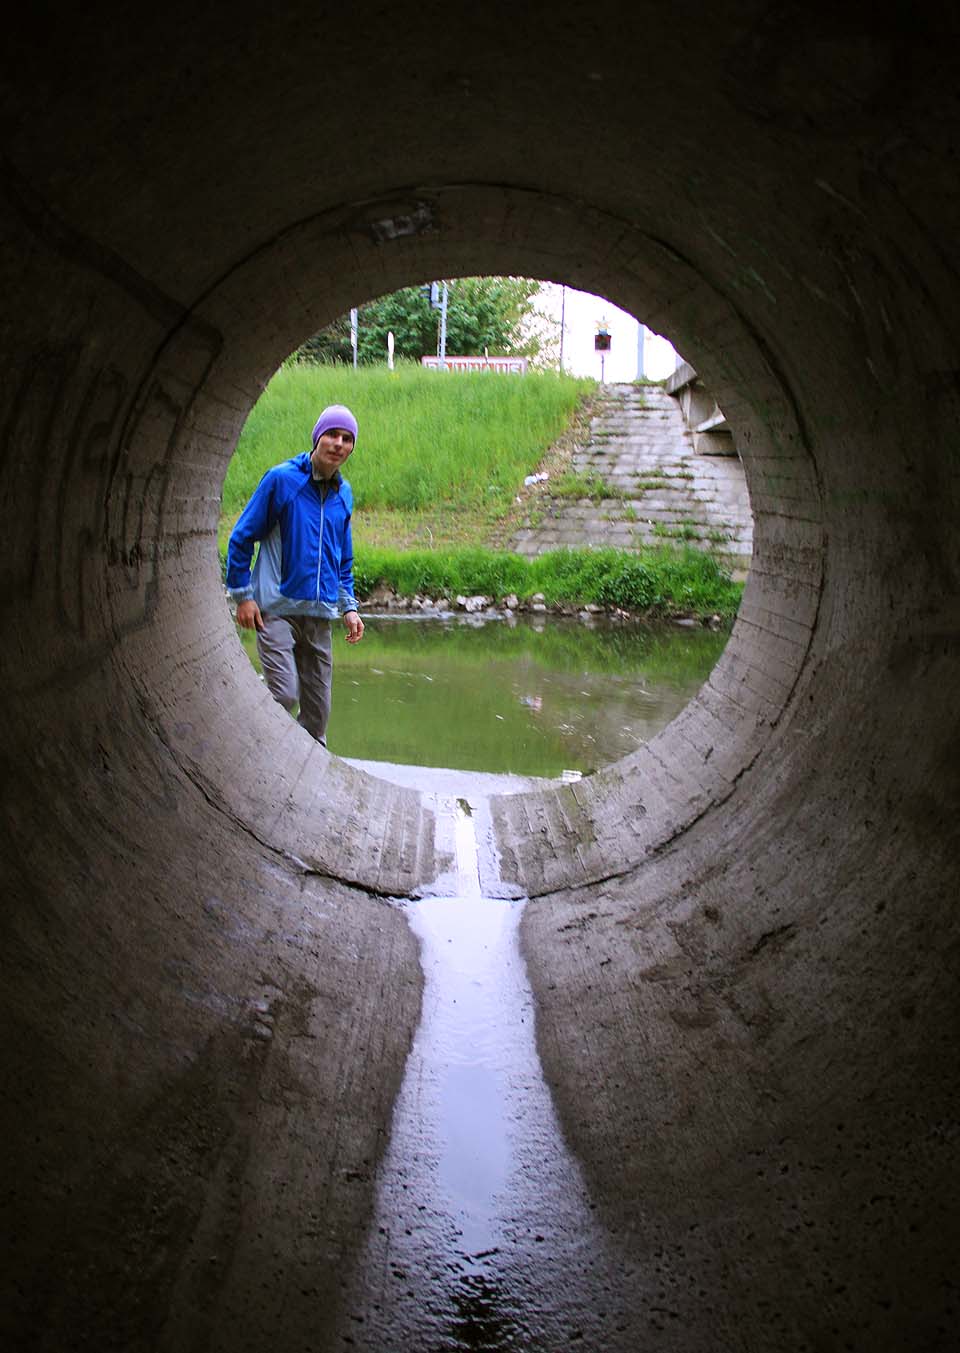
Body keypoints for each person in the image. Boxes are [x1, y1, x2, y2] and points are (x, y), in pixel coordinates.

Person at [226, 404, 365, 746]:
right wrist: (243, 596)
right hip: (276, 610)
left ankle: (308, 771)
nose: (339, 444)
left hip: (319, 615)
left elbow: (342, 559)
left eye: (347, 438)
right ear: (317, 438)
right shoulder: (282, 480)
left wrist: (349, 607)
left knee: (318, 716)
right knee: (284, 694)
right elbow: (242, 537)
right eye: (332, 434)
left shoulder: (343, 494)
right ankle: (247, 746)